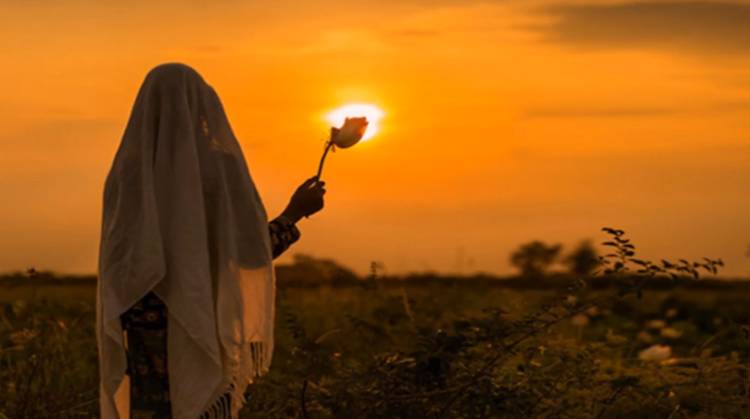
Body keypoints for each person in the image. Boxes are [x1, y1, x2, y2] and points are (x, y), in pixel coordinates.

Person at [97, 63, 326, 419]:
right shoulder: (218, 169)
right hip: (202, 320)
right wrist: (293, 214)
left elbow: (121, 264)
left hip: (142, 329)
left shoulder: (127, 174)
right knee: (200, 400)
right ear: (202, 104)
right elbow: (249, 253)